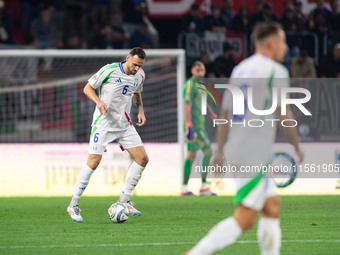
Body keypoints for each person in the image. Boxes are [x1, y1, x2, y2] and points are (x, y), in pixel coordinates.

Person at [186, 22, 304, 255]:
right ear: (271, 44)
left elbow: (225, 113)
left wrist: (220, 151)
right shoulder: (276, 71)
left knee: (272, 207)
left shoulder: (240, 69)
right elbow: (283, 113)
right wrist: (297, 145)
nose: (286, 46)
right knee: (245, 218)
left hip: (239, 148)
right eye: (282, 41)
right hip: (254, 153)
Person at [67, 47, 149, 222]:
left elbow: (137, 91)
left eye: (139, 65)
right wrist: (98, 102)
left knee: (142, 159)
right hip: (104, 123)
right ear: (127, 58)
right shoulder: (109, 70)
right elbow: (87, 88)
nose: (136, 69)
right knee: (93, 162)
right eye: (134, 64)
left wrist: (140, 110)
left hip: (124, 124)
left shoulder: (140, 75)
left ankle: (124, 201)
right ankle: (73, 205)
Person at [182, 61, 217, 196]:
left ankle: (185, 188)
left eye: (202, 70)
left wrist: (211, 113)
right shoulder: (190, 85)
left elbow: (204, 102)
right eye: (198, 70)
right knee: (208, 151)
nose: (200, 73)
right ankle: (203, 187)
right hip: (194, 125)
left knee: (192, 155)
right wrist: (189, 125)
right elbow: (187, 106)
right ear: (192, 71)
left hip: (199, 124)